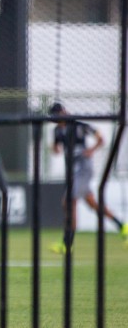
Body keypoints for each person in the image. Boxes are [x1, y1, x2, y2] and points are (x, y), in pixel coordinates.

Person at [49, 102, 127, 253]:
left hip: (84, 169)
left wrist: (91, 150)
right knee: (93, 204)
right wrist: (55, 148)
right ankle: (123, 226)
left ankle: (67, 243)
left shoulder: (78, 125)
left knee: (69, 201)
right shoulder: (57, 131)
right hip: (73, 172)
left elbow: (100, 138)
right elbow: (56, 149)